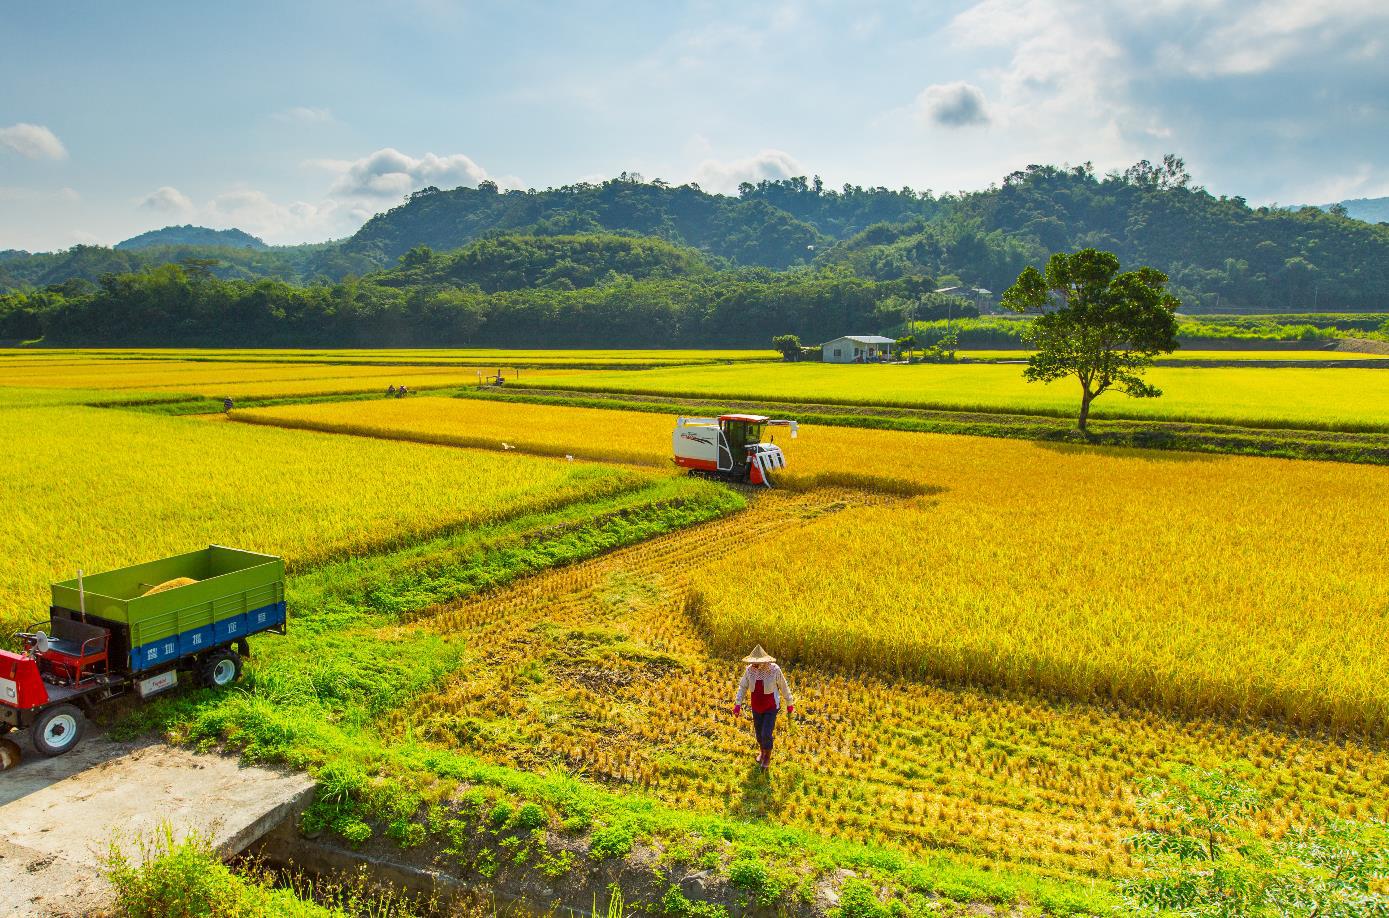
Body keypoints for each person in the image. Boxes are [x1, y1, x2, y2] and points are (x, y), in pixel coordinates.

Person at [732, 645, 794, 770]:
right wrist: (738, 704)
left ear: (764, 661)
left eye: (757, 662)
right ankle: (762, 751)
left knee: (766, 733)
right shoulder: (749, 670)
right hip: (756, 706)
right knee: (759, 734)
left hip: (771, 707)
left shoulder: (774, 670)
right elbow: (743, 686)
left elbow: (783, 686)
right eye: (753, 662)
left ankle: (767, 757)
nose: (754, 664)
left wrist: (789, 703)